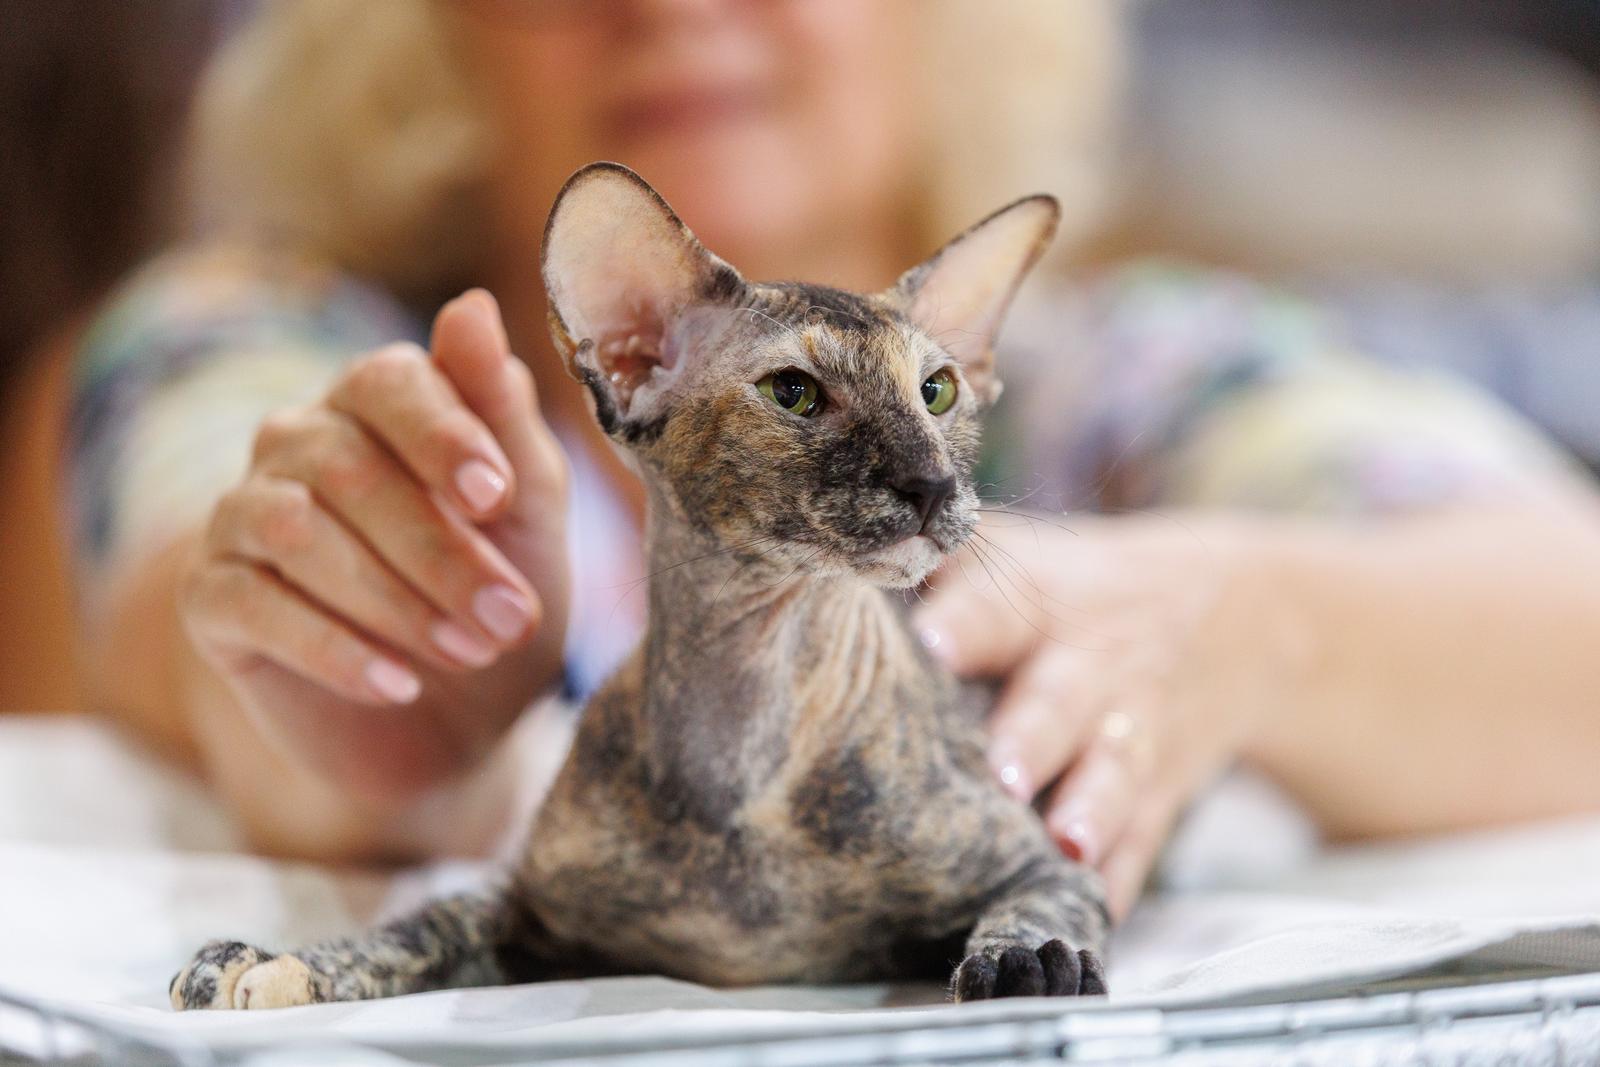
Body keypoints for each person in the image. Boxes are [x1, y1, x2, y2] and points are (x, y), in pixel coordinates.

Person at [69, 0, 1600, 920]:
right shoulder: (261, 329)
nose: (671, 5)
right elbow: (182, 565)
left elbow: (1561, 599)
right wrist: (377, 681)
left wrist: (1247, 626)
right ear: (437, 37)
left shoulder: (1119, 378)